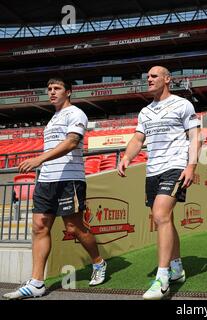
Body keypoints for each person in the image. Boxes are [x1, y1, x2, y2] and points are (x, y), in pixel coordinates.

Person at [3, 77, 107, 300]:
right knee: (39, 227)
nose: (52, 92)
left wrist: (39, 159)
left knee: (74, 228)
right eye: (49, 89)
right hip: (47, 180)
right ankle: (37, 283)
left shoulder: (75, 113)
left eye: (57, 88)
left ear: (68, 92)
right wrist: (43, 165)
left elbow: (71, 142)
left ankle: (98, 262)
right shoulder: (52, 119)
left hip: (69, 180)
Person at [117, 66, 201, 300]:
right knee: (165, 218)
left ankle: (161, 278)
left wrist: (191, 165)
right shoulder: (145, 111)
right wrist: (126, 157)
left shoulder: (183, 104)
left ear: (167, 79)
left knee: (161, 215)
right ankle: (177, 268)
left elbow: (195, 136)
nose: (149, 80)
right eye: (147, 77)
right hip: (152, 171)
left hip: (174, 167)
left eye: (154, 76)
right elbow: (138, 138)